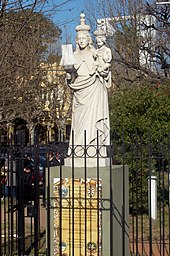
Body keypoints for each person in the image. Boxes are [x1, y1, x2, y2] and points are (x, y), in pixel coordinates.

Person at [65, 13, 111, 167]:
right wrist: (69, 73)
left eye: (83, 38)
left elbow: (104, 71)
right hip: (79, 92)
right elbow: (69, 79)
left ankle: (94, 148)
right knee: (78, 124)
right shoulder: (72, 55)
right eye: (78, 39)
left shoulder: (94, 54)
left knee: (93, 121)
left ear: (88, 39)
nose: (81, 40)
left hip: (93, 90)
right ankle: (78, 150)